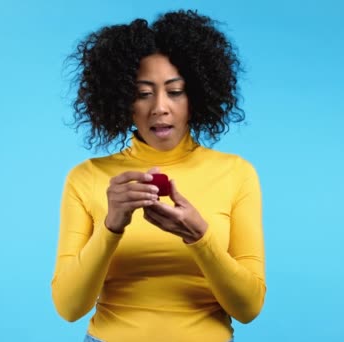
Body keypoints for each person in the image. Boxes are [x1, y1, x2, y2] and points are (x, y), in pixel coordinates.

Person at [51, 10, 265, 342]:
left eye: (175, 91)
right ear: (123, 100)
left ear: (196, 96)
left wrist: (200, 237)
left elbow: (249, 307)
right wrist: (111, 226)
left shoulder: (236, 173)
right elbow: (68, 307)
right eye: (143, 92)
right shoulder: (87, 178)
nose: (160, 107)